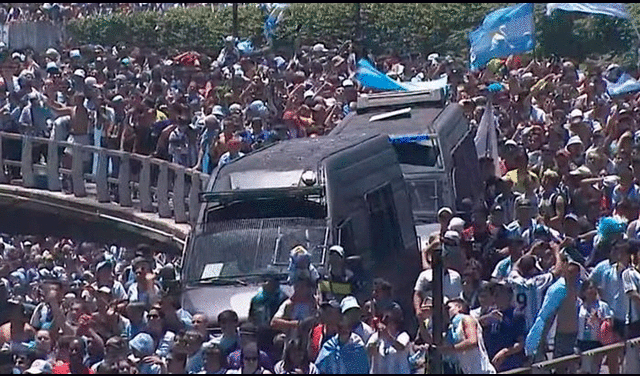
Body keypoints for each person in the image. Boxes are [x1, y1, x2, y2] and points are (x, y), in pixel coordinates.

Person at [439, 298, 496, 374]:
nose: (445, 311)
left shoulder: (467, 319)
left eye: (448, 308)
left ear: (459, 307)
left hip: (482, 371)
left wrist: (448, 349)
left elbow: (472, 341)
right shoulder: (451, 328)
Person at [482, 282, 526, 372]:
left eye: (499, 293)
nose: (496, 297)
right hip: (490, 365)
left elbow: (521, 343)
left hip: (510, 365)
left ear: (509, 295)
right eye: (494, 293)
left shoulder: (516, 314)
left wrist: (505, 352)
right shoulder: (490, 312)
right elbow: (476, 324)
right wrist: (487, 317)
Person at [576, 280, 612, 373]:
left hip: (596, 342)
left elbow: (609, 323)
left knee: (594, 370)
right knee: (583, 370)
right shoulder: (579, 306)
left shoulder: (603, 306)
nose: (591, 291)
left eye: (593, 288)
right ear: (583, 292)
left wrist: (599, 319)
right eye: (589, 288)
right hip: (582, 342)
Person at [366, 305, 411, 374]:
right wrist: (378, 337)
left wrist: (387, 335)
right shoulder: (376, 336)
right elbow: (370, 350)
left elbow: (400, 346)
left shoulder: (403, 335)